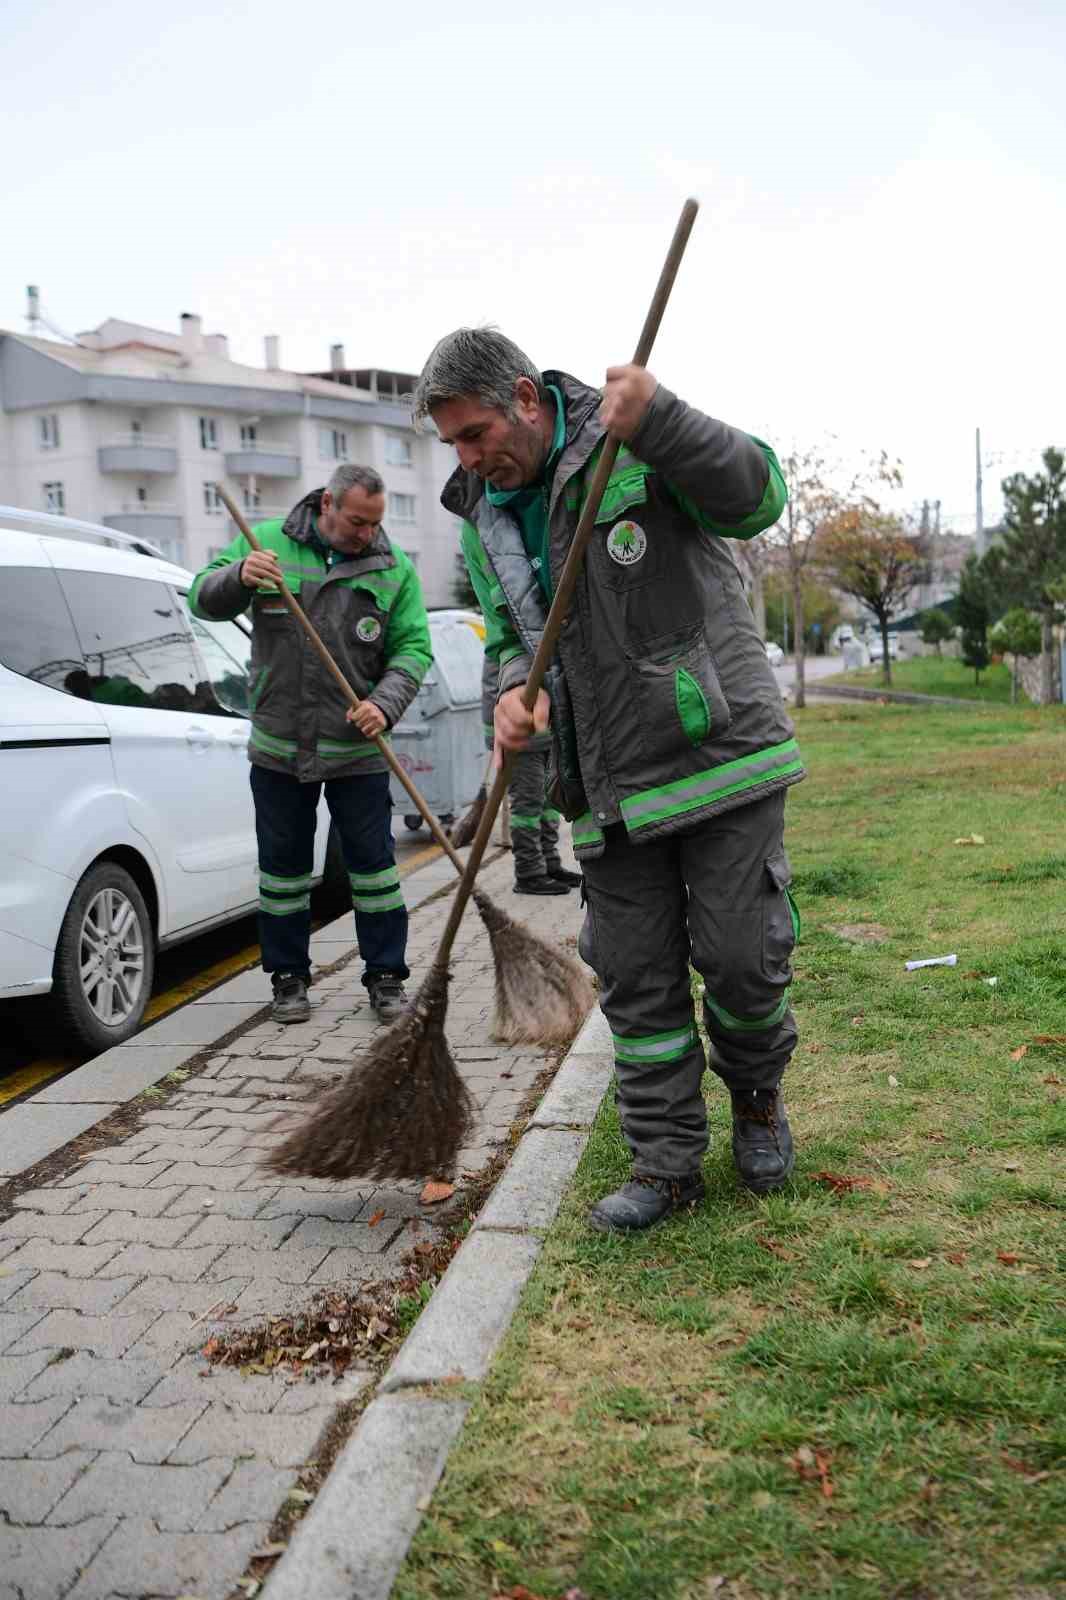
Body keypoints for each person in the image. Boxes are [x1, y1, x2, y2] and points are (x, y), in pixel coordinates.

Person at [413, 329, 803, 1232]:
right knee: (634, 978)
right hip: (607, 782)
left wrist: (663, 419)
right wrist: (515, 692)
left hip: (719, 755)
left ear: (522, 395)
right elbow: (512, 636)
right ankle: (666, 1165)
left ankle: (757, 1103)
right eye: (453, 447)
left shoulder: (631, 436)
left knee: (744, 958)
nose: (468, 461)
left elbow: (759, 497)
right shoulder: (483, 515)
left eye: (475, 434)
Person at [188, 465, 432, 1026]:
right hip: (279, 747)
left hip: (358, 749)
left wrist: (384, 704)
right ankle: (288, 978)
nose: (367, 533)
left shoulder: (394, 569)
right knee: (283, 873)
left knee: (373, 871)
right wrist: (241, 577)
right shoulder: (267, 543)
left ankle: (386, 976)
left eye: (375, 523)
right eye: (356, 521)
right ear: (327, 504)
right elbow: (202, 599)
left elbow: (413, 649)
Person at [479, 649, 581, 895]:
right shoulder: (506, 647)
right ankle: (529, 872)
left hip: (543, 736)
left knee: (546, 805)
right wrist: (497, 737)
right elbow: (496, 694)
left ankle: (549, 863)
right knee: (528, 807)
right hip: (520, 742)